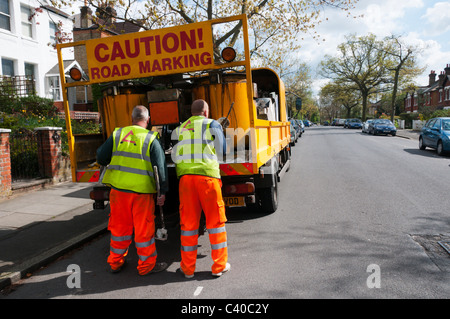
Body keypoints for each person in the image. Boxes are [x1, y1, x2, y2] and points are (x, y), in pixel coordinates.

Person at [96, 105, 169, 276]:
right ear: (148, 120)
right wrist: (162, 192)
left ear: (131, 119)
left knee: (119, 230)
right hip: (141, 194)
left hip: (118, 192)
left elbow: (101, 157)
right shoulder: (151, 138)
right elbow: (160, 168)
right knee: (144, 231)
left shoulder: (117, 134)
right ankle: (146, 266)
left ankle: (115, 262)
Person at [173, 99, 229, 278]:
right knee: (215, 223)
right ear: (206, 112)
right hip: (207, 178)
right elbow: (223, 151)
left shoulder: (181, 127)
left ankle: (187, 269)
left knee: (188, 225)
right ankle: (219, 266)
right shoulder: (212, 123)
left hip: (186, 180)